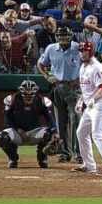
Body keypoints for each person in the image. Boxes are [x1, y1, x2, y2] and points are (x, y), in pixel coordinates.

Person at [72, 41, 102, 176]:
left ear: (91, 51)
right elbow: (86, 89)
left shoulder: (97, 67)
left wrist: (93, 100)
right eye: (81, 51)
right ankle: (89, 165)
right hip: (91, 105)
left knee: (98, 135)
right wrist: (81, 100)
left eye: (85, 51)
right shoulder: (83, 67)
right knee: (81, 132)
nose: (82, 53)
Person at [37, 26, 82, 164]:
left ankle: (79, 153)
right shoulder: (51, 48)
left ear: (71, 36)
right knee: (60, 122)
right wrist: (47, 76)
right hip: (57, 87)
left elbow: (88, 64)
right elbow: (41, 63)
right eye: (61, 36)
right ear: (57, 37)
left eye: (66, 35)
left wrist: (82, 79)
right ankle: (64, 153)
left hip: (75, 88)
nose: (63, 38)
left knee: (77, 120)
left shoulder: (78, 47)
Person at [0, 79, 58, 168]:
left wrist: (54, 132)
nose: (28, 97)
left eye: (31, 94)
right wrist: (19, 131)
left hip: (34, 132)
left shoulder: (42, 100)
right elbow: (7, 119)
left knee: (49, 133)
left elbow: (50, 119)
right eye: (26, 94)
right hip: (17, 132)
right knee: (1, 137)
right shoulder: (12, 99)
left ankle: (42, 158)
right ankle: (13, 158)